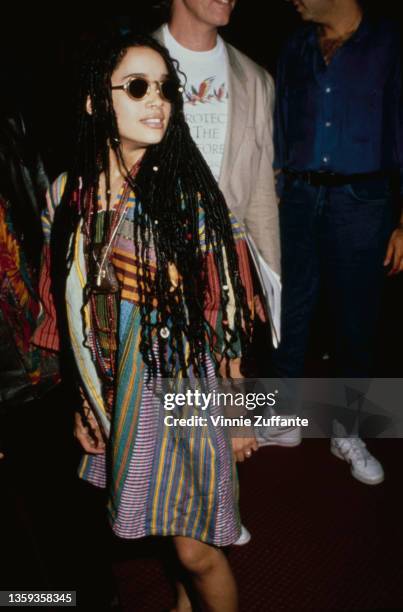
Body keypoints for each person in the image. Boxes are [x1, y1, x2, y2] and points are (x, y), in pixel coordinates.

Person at [34, 33, 259, 612]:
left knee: (197, 551)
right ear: (95, 100)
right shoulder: (68, 195)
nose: (156, 100)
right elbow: (64, 310)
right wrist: (85, 403)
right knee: (167, 532)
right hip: (115, 393)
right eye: (137, 87)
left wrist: (235, 417)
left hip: (181, 391)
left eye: (164, 88)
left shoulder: (189, 197)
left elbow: (223, 318)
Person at [273, 0, 403, 484]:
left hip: (363, 200)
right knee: (289, 308)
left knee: (357, 321)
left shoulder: (390, 43)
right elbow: (282, 120)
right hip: (298, 197)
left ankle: (346, 430)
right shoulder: (294, 46)